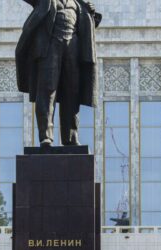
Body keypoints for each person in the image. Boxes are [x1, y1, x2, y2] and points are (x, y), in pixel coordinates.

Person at [15, 0, 101, 147]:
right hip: (50, 45)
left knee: (72, 92)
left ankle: (70, 137)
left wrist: (90, 12)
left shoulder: (78, 3)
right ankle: (46, 136)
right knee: (47, 90)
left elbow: (87, 25)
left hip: (72, 46)